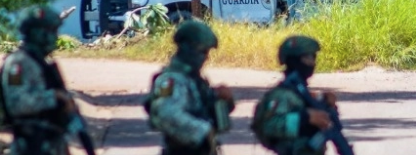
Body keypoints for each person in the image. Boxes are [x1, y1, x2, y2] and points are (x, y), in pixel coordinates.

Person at [145, 20, 235, 155]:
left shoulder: (194, 80)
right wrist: (204, 130)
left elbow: (206, 110)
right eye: (203, 52)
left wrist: (221, 98)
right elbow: (166, 114)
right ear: (189, 49)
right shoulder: (170, 80)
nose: (206, 58)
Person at [0, 6, 80, 155]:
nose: (55, 37)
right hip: (30, 145)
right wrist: (54, 97)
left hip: (50, 143)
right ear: (36, 33)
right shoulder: (17, 64)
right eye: (51, 31)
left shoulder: (41, 63)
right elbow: (17, 104)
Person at [251, 36, 346, 155]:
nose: (312, 62)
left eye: (313, 57)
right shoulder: (282, 94)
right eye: (307, 57)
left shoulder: (302, 92)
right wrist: (304, 118)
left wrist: (324, 102)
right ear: (294, 60)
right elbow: (269, 126)